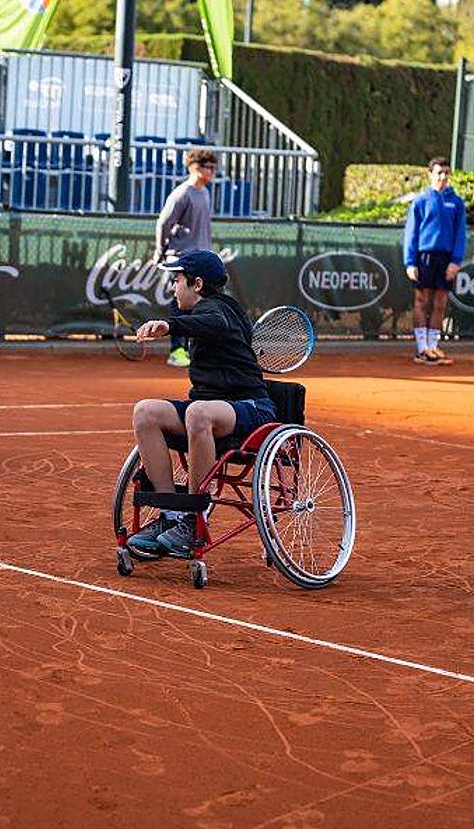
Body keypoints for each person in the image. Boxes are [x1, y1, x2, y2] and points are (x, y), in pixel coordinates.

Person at [126, 249, 276, 558]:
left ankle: (195, 519)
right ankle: (170, 516)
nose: (172, 287)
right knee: (145, 412)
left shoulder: (220, 309)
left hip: (252, 410)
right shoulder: (203, 311)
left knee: (197, 413)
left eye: (176, 280)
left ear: (196, 284)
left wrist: (171, 326)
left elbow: (214, 323)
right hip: (209, 410)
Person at [153, 147, 219, 368]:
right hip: (182, 257)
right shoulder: (182, 193)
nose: (212, 171)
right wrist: (160, 251)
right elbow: (164, 223)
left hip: (201, 258)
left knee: (200, 303)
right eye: (207, 167)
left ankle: (194, 350)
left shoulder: (205, 193)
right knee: (179, 303)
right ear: (194, 167)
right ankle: (177, 350)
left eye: (213, 167)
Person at [403, 156, 467, 365]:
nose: (443, 177)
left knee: (440, 303)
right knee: (422, 300)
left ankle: (432, 346)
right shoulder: (421, 201)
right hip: (424, 257)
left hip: (446, 258)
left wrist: (455, 261)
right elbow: (411, 233)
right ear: (430, 174)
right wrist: (410, 262)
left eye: (446, 173)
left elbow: (460, 234)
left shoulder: (456, 203)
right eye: (439, 172)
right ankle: (422, 349)